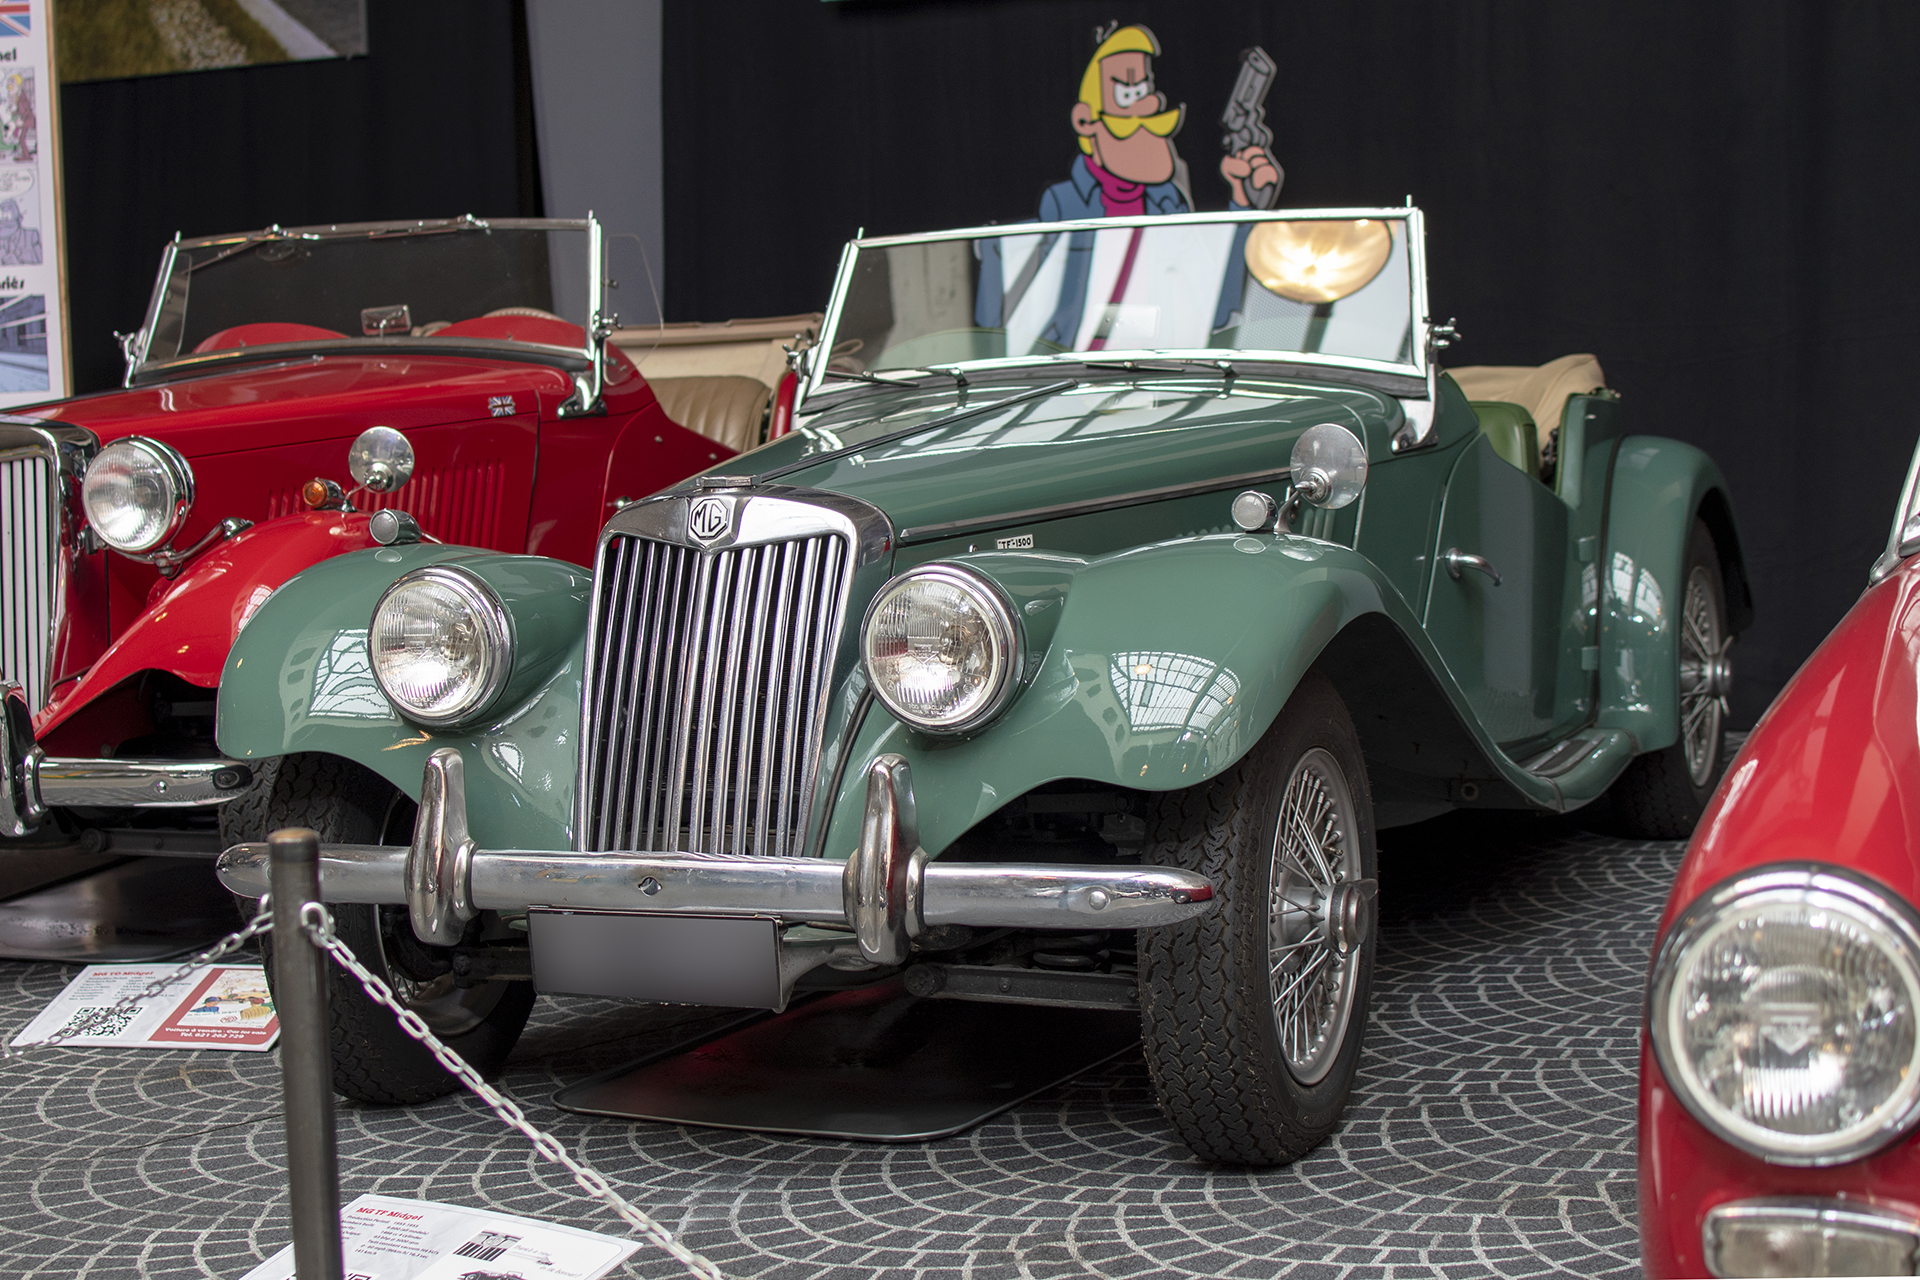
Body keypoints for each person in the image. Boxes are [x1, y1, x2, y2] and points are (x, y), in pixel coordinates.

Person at [977, 24, 1282, 345]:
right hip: (1072, 376)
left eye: (1145, 91)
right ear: (1086, 121)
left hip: (1160, 372)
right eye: (1127, 94)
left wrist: (1242, 204)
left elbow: (1216, 305)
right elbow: (1002, 315)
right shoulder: (1064, 205)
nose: (1147, 107)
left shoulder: (1169, 205)